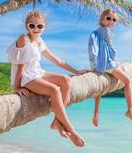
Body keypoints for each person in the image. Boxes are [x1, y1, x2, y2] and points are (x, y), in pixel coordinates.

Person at [7, 10, 86, 147]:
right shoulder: (23, 39)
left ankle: (57, 121)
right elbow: (21, 66)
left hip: (37, 72)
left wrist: (76, 71)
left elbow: (56, 60)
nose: (36, 29)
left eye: (39, 26)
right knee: (54, 90)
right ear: (27, 26)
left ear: (44, 27)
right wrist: (17, 87)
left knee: (66, 80)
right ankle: (71, 130)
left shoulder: (39, 41)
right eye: (32, 26)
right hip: (26, 77)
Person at [88, 9, 132, 127]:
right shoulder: (100, 32)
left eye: (114, 20)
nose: (111, 21)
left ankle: (96, 112)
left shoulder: (103, 32)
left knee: (100, 88)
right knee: (127, 81)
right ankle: (130, 110)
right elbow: (92, 50)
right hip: (106, 64)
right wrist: (95, 65)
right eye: (108, 18)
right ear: (102, 19)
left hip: (104, 64)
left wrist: (95, 66)